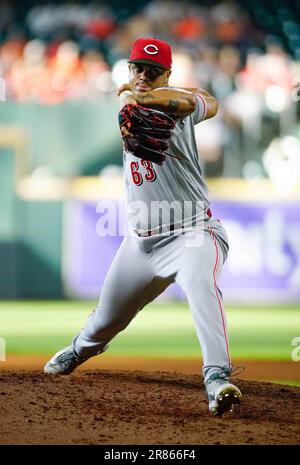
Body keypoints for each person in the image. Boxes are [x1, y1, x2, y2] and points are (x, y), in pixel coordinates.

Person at [44, 37, 242, 417]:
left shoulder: (177, 105)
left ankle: (217, 377)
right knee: (103, 322)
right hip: (139, 245)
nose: (144, 76)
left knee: (202, 285)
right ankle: (80, 348)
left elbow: (205, 102)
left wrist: (143, 98)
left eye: (154, 71)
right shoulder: (126, 99)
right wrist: (127, 97)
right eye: (138, 68)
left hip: (192, 234)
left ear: (168, 74)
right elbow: (127, 95)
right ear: (129, 68)